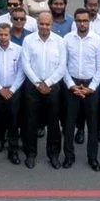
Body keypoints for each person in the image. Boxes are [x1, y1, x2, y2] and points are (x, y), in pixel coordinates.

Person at [19, 11, 66, 169]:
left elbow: (62, 65)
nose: (44, 27)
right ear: (37, 24)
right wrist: (38, 83)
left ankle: (53, 154)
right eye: (41, 24)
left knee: (53, 122)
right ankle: (30, 154)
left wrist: (49, 83)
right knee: (31, 121)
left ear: (52, 25)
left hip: (53, 86)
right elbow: (25, 64)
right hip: (33, 86)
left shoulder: (59, 41)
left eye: (47, 24)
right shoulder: (28, 40)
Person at [62, 9, 100, 170]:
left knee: (93, 124)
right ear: (74, 22)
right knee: (69, 124)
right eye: (79, 20)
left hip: (91, 86)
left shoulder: (97, 41)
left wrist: (91, 88)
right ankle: (69, 156)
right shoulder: (67, 39)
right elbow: (63, 65)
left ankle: (92, 158)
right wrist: (71, 85)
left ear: (89, 22)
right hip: (72, 85)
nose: (82, 23)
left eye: (85, 20)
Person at [0, 23, 24, 163]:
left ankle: (13, 151)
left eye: (6, 34)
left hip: (13, 91)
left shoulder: (18, 50)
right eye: (0, 34)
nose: (3, 37)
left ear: (10, 34)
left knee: (13, 121)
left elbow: (21, 71)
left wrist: (12, 89)